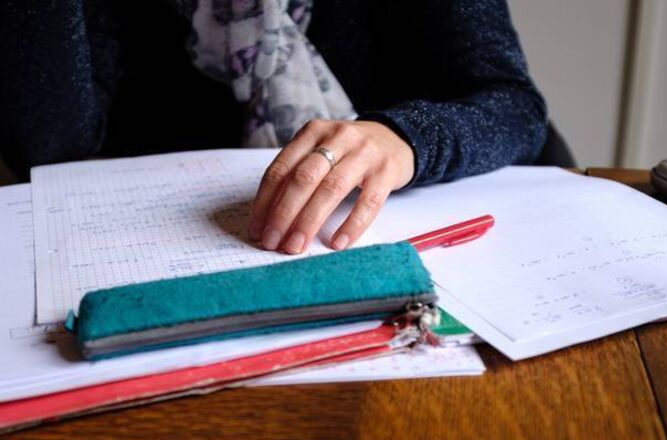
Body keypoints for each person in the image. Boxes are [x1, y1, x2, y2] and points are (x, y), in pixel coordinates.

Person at [0, 0, 548, 254]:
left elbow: (514, 103)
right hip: (165, 246)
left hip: (390, 236)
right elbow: (50, 148)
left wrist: (403, 138)